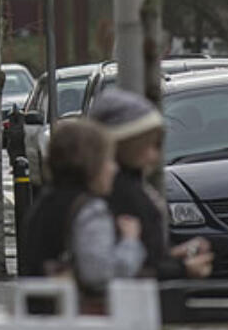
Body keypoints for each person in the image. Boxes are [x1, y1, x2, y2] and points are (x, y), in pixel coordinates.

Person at [89, 88, 213, 281]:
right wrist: (182, 269)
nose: (155, 155)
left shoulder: (127, 184)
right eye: (150, 145)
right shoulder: (121, 190)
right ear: (129, 145)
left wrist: (175, 255)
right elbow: (127, 269)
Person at [21, 117, 146, 309]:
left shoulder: (44, 202)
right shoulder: (91, 210)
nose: (113, 169)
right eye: (108, 160)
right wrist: (130, 242)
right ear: (91, 165)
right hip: (82, 325)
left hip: (43, 319)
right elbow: (99, 273)